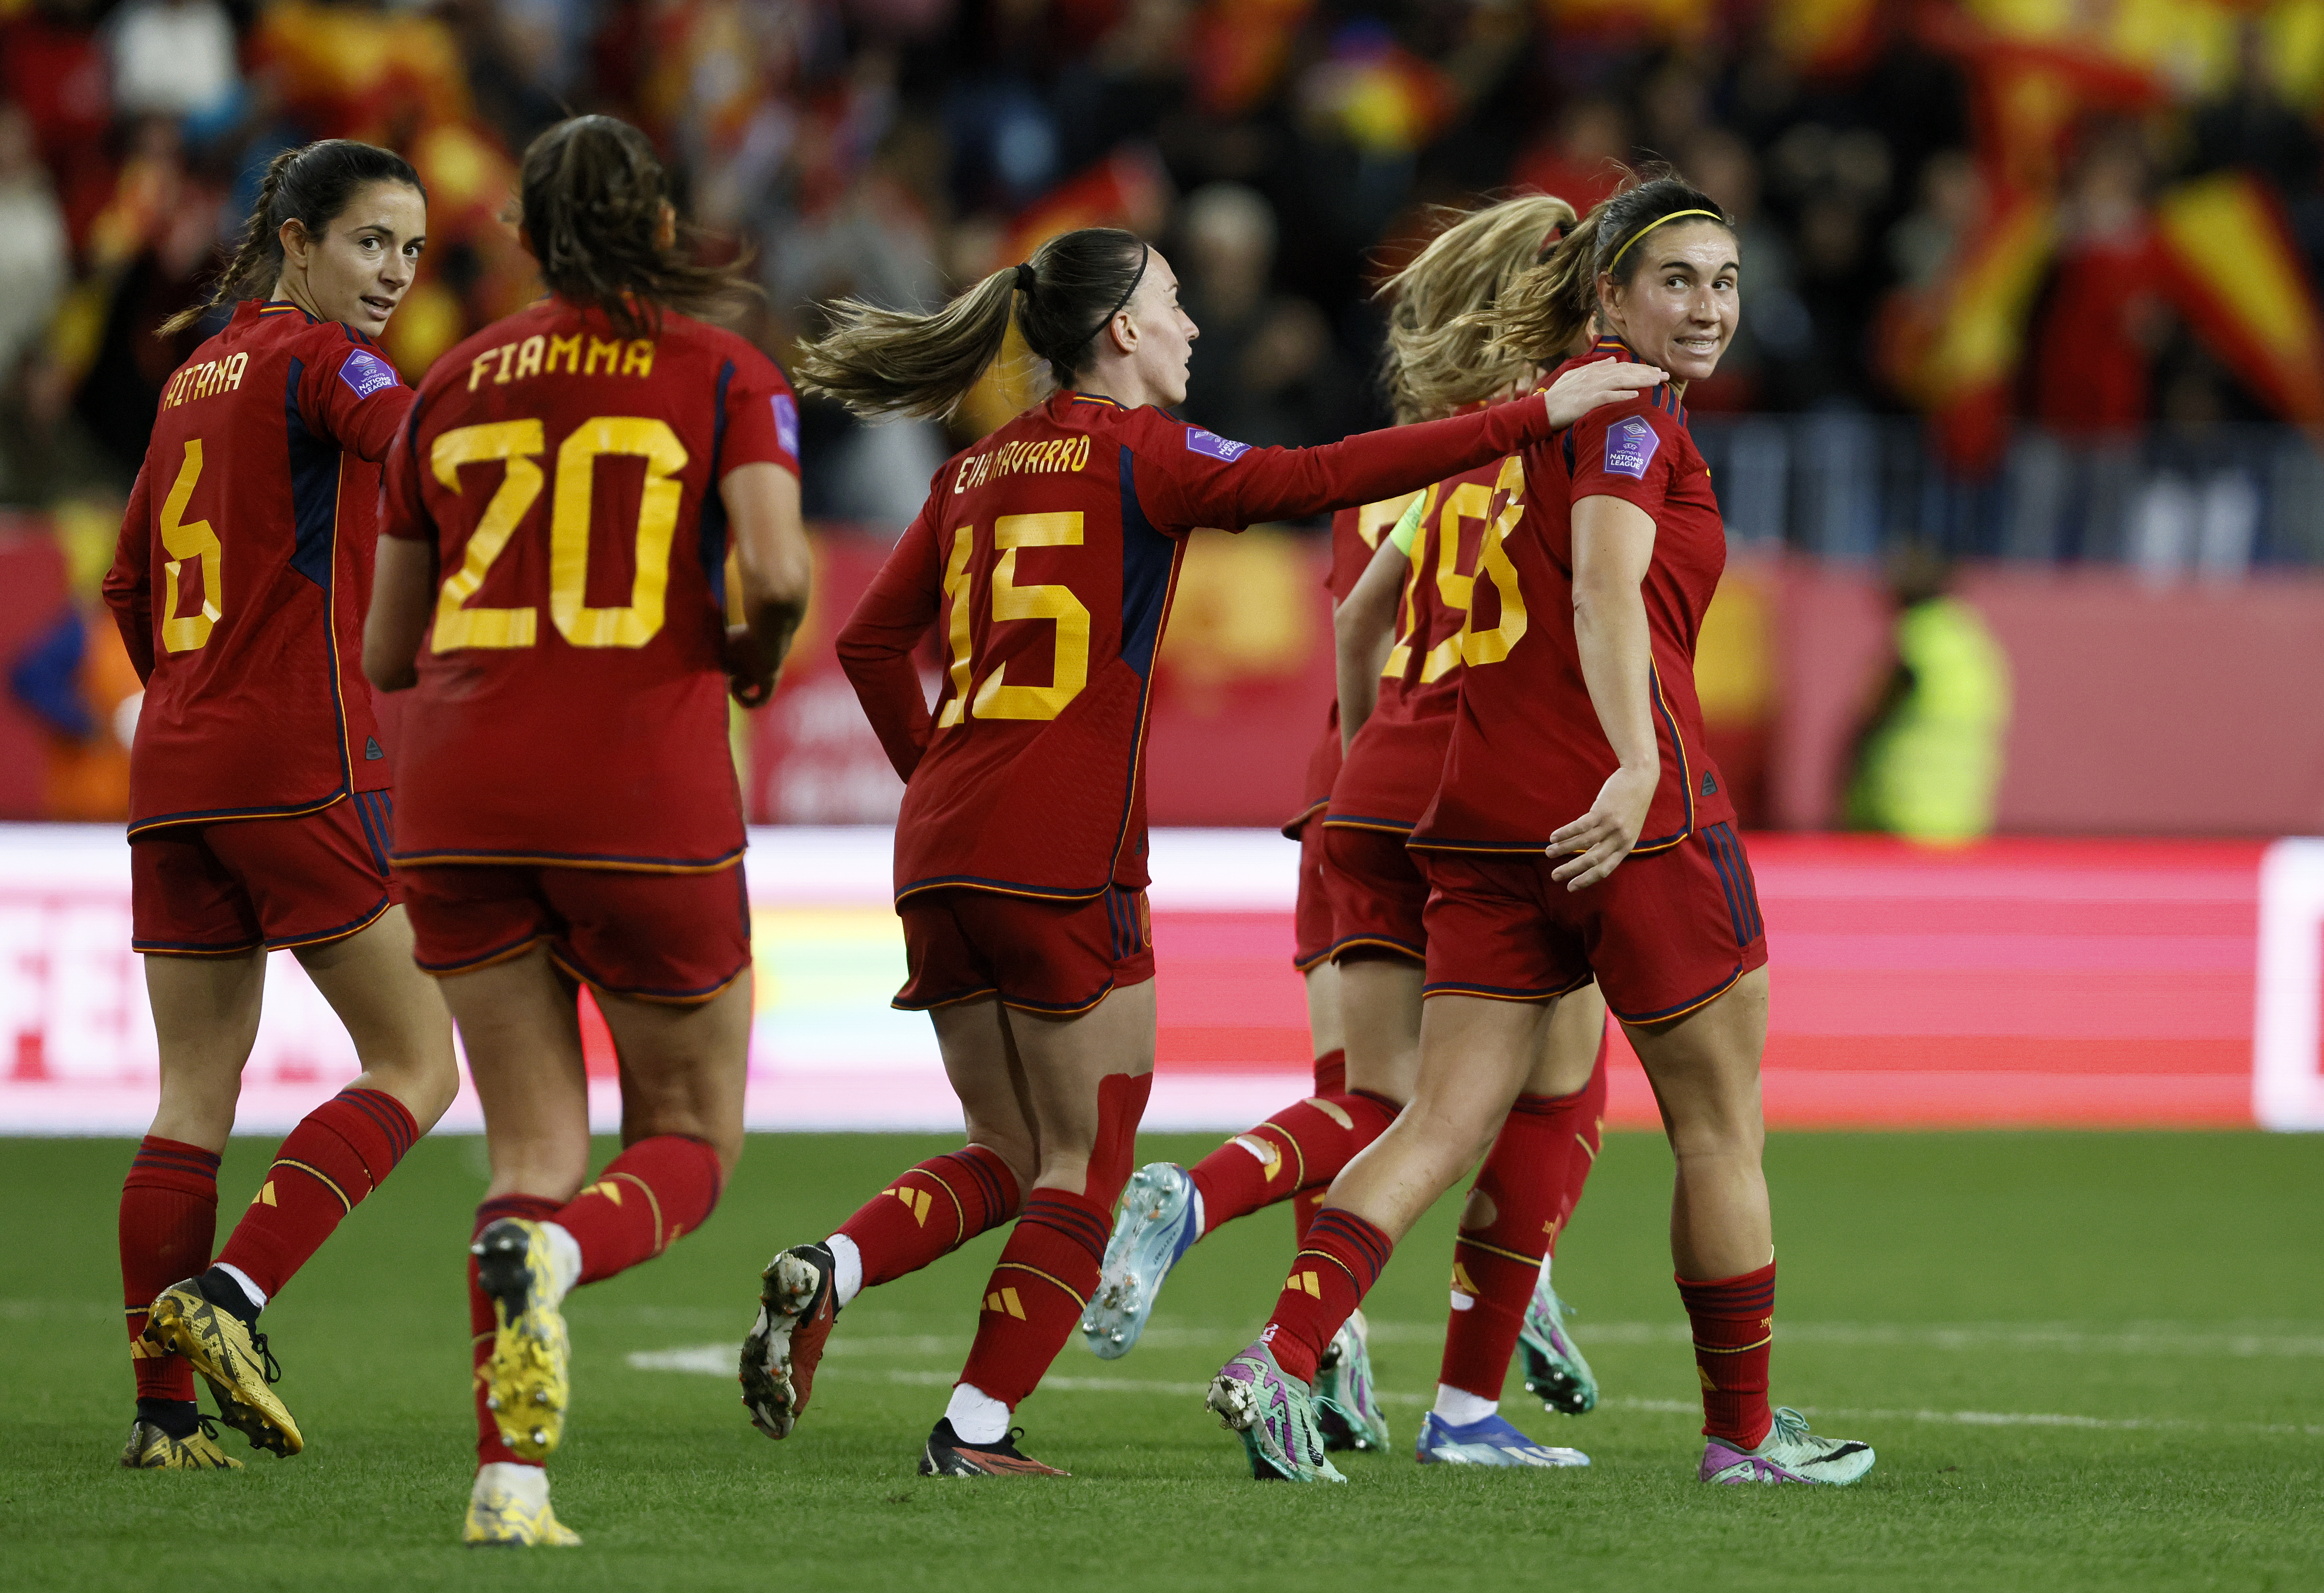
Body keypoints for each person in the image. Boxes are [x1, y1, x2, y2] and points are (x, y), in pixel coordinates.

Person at [735, 224, 1645, 1480]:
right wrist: (1535, 413)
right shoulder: (1143, 458)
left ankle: (830, 1268)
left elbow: (868, 649)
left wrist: (939, 772)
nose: (1194, 326)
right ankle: (975, 1430)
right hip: (1063, 856)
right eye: (1172, 303)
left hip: (936, 846)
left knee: (1006, 1153)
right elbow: (1322, 474)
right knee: (1084, 1166)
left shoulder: (970, 472)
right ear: (1119, 330)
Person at [1205, 173, 1877, 1489]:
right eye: (1674, 280)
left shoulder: (1522, 415)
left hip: (1485, 815)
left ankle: (1277, 1361)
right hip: (1629, 815)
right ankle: (1741, 1440)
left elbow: (1379, 614)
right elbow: (1604, 592)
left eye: (1725, 281)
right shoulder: (1630, 421)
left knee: (1436, 1121)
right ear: (1610, 295)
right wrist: (1634, 766)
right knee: (1716, 1131)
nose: (1707, 307)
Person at [1080, 196, 1644, 1472]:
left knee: (1371, 1098)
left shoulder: (1411, 452)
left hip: (1355, 788)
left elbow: (1354, 625)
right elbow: (1600, 618)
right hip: (1489, 787)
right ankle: (1472, 1361)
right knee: (1546, 1083)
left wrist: (1355, 768)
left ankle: (1278, 1283)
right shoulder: (1569, 439)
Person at [365, 114, 812, 1547]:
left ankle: (512, 1482)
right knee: (687, 1127)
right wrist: (745, 657)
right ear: (663, 226)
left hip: (458, 799)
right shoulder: (721, 371)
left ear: (523, 233)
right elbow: (782, 571)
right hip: (639, 790)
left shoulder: (448, 385)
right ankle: (557, 1258)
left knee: (527, 1146)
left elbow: (386, 651)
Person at [103, 139, 458, 1474]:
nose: (397, 275)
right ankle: (234, 1294)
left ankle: (160, 1418)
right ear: (297, 241)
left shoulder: (192, 379)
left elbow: (131, 588)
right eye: (373, 243)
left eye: (415, 252)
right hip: (296, 761)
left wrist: (199, 704)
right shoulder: (319, 362)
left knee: (193, 1093)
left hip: (176, 767)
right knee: (419, 1062)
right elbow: (418, 445)